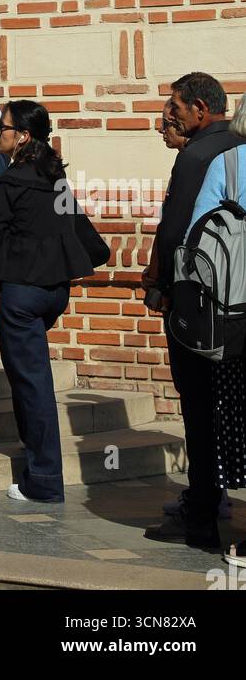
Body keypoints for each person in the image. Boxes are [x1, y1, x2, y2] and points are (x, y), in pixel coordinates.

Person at [0, 101, 109, 502]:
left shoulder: (8, 185)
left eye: (3, 128)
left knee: (33, 384)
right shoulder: (54, 181)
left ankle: (44, 480)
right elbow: (91, 243)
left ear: (23, 136)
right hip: (53, 293)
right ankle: (36, 458)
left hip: (20, 295)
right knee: (31, 377)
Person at [143, 72, 246, 549]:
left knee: (199, 409)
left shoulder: (199, 156)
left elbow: (176, 232)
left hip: (204, 307)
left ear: (201, 110)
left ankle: (203, 515)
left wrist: (159, 288)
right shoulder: (236, 148)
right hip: (240, 304)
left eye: (176, 107)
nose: (170, 115)